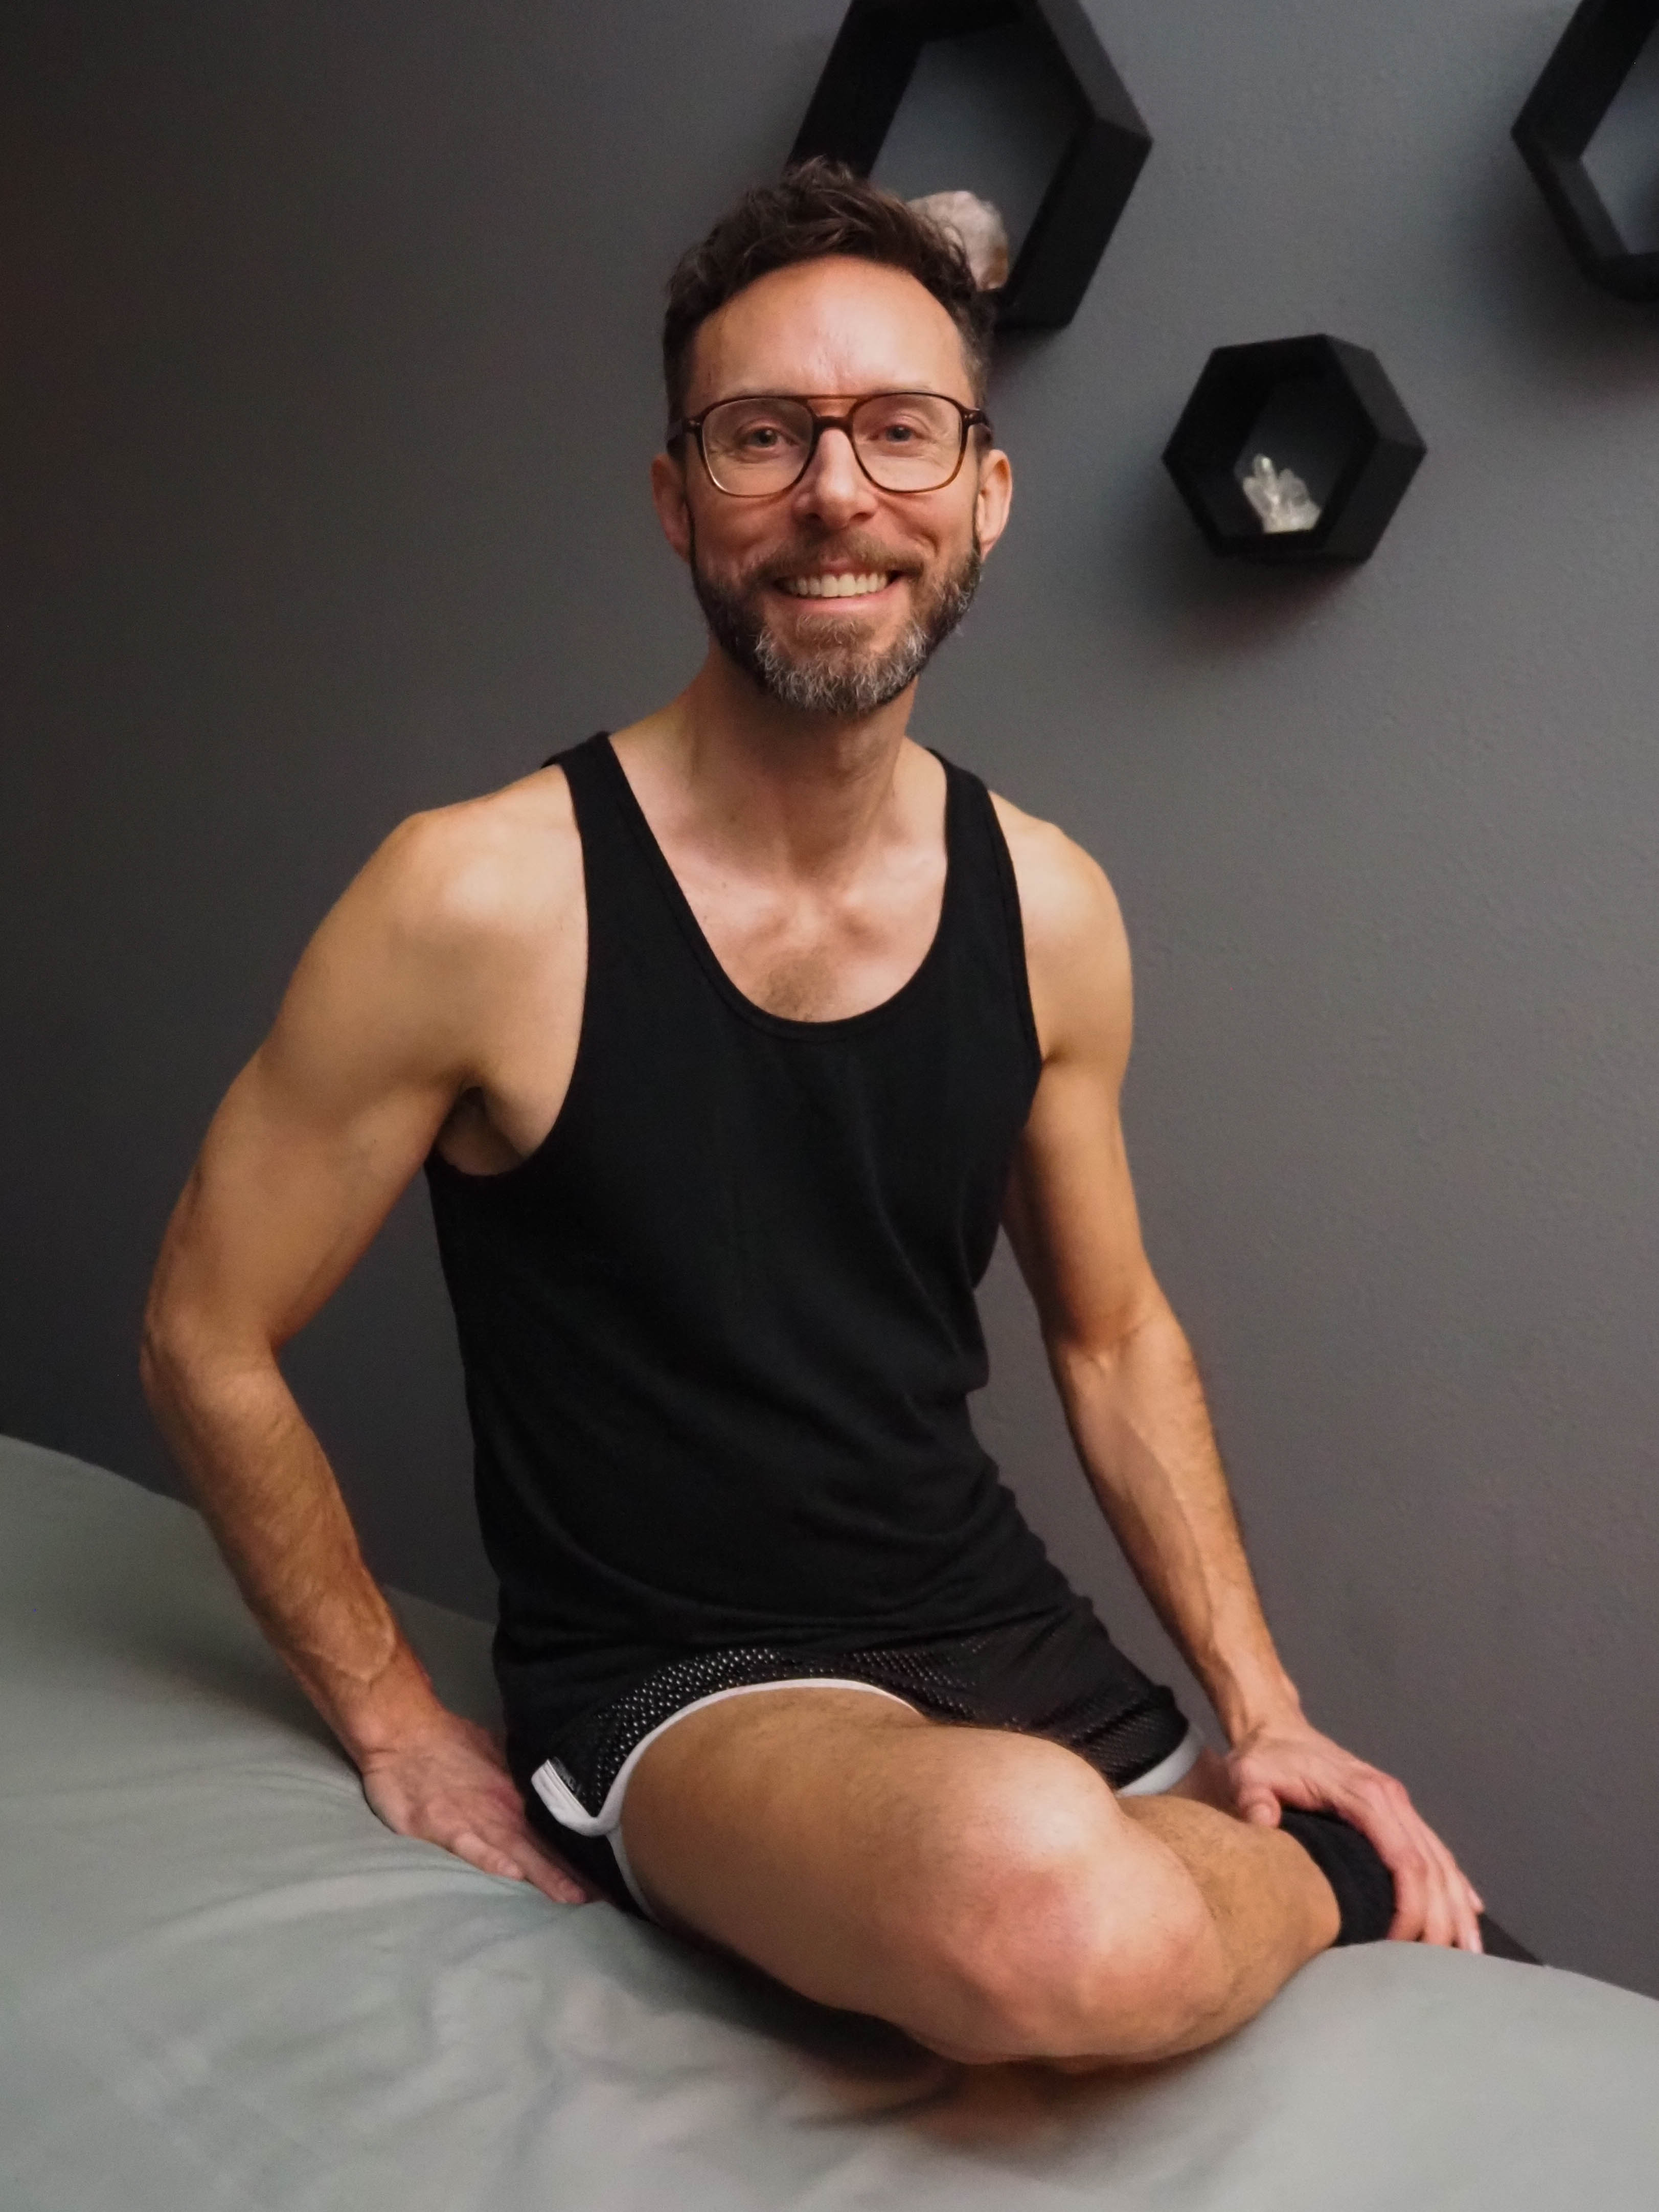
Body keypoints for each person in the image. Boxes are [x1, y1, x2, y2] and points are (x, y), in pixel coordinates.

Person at [143, 161, 1484, 2070]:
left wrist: (1258, 1707)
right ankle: (1310, 1891)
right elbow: (205, 1325)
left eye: (900, 432)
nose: (837, 492)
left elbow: (1110, 1338)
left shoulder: (1053, 905)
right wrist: (384, 1706)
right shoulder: (473, 900)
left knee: (1407, 1948)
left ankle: (1254, 1848)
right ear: (678, 497)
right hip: (694, 1686)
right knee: (1047, 1899)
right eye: (766, 436)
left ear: (984, 496)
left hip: (1007, 1636)